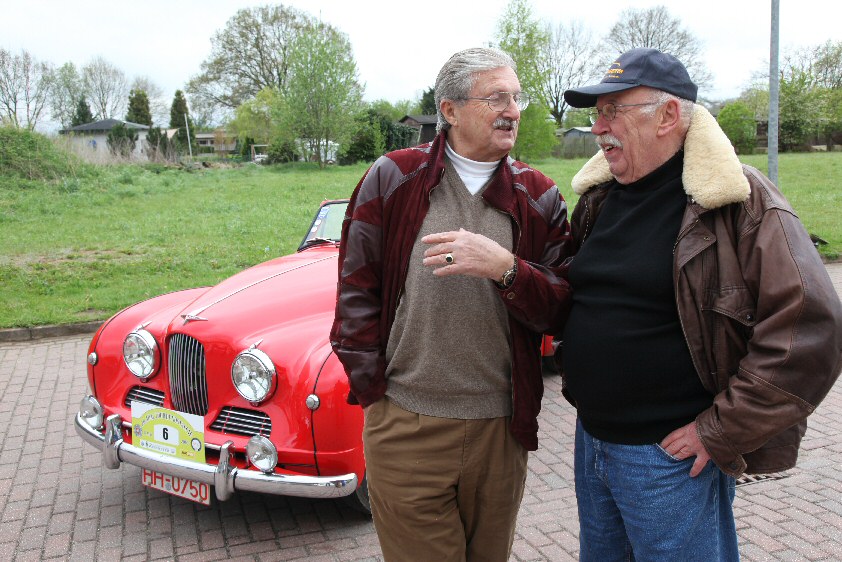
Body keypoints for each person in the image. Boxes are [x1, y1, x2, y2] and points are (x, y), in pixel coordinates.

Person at [558, 47, 842, 560]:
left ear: (669, 116)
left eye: (612, 111)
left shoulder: (736, 198)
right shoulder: (601, 197)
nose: (599, 129)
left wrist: (719, 431)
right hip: (592, 443)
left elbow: (809, 328)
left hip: (668, 459)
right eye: (595, 114)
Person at [330, 47, 573, 561]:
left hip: (500, 431)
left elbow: (562, 308)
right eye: (496, 98)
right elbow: (355, 289)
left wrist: (506, 269)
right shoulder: (393, 178)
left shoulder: (539, 196)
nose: (513, 110)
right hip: (406, 423)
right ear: (450, 109)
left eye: (517, 97)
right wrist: (377, 393)